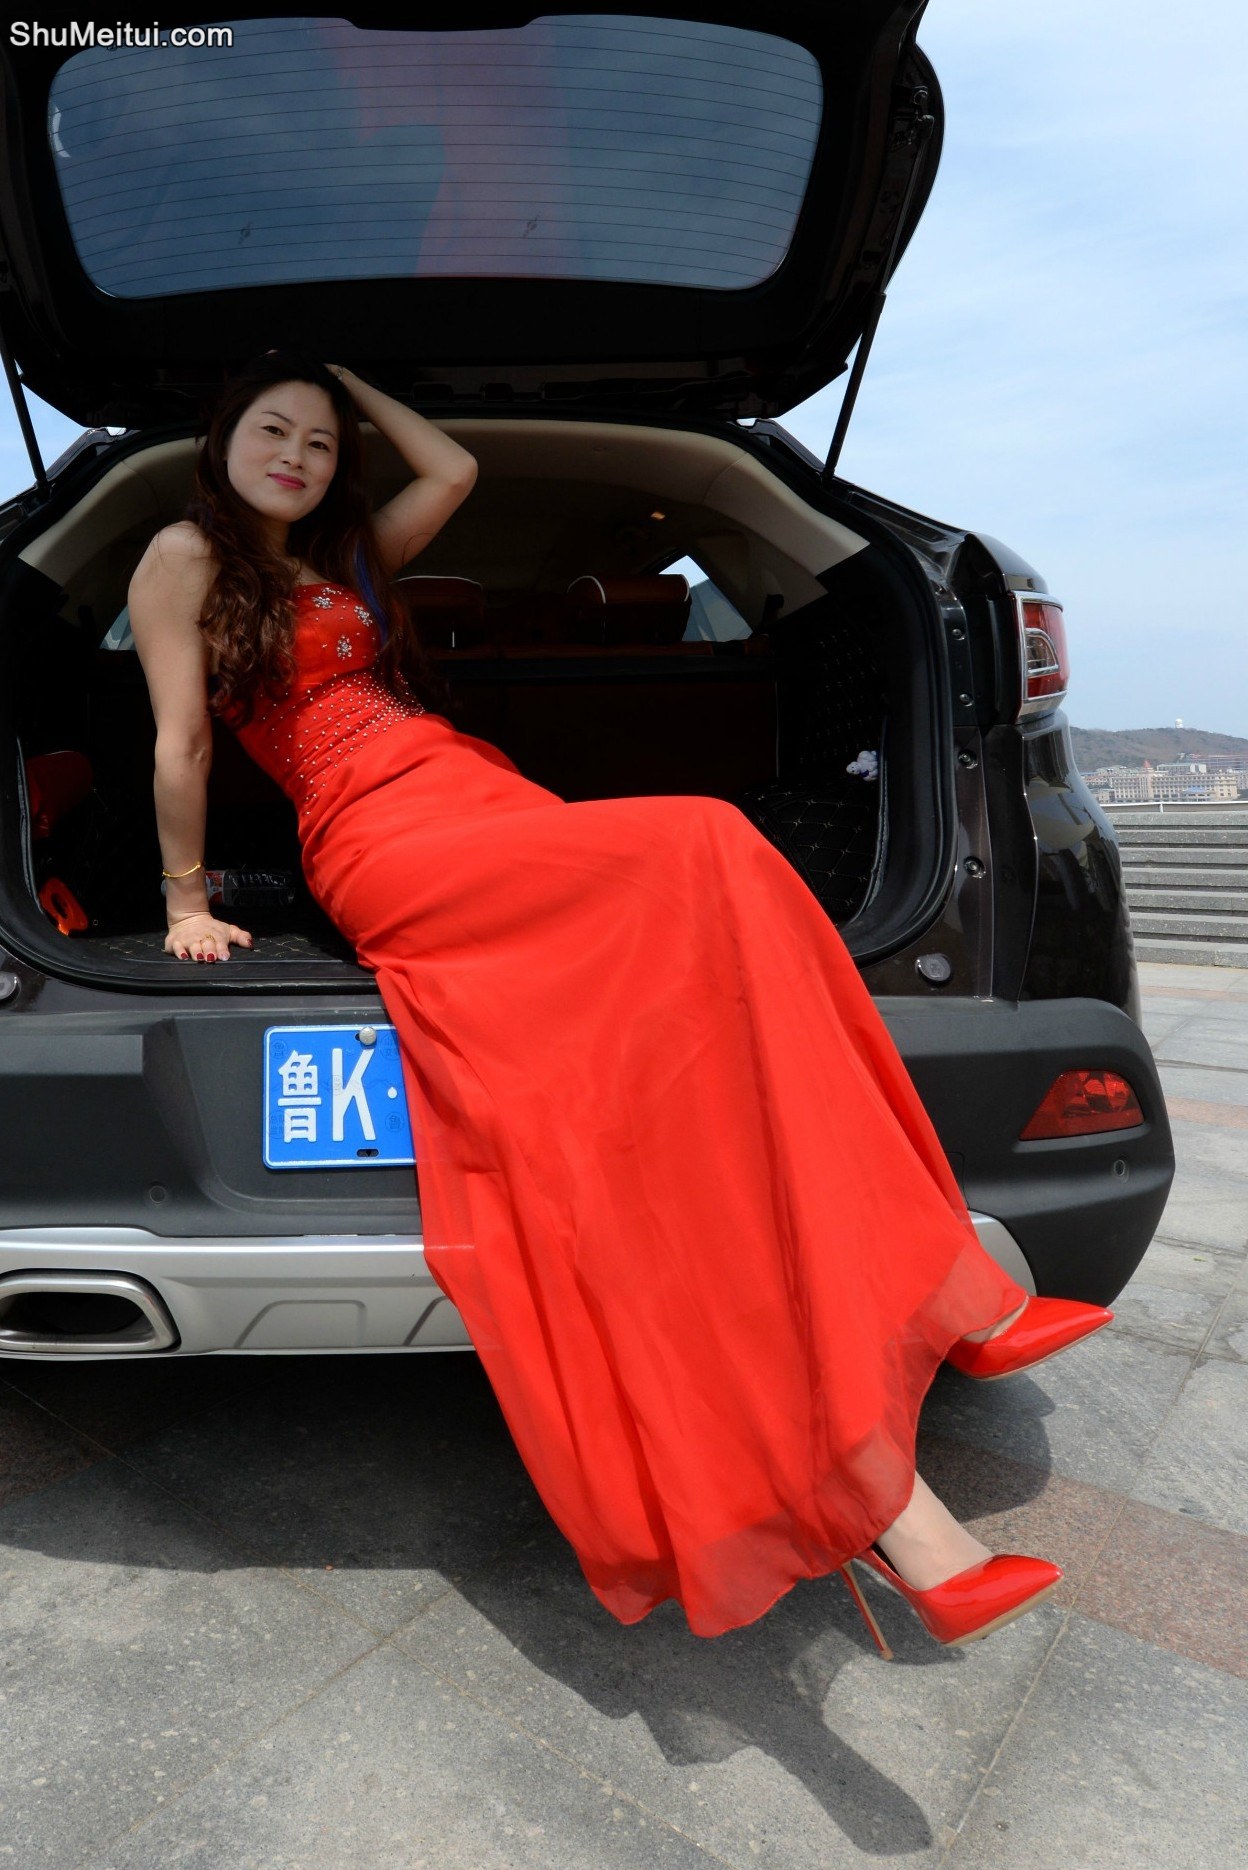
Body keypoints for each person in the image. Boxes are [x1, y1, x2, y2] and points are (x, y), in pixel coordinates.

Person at [128, 351, 1113, 1650]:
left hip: (475, 792)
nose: (297, 458)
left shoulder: (344, 559)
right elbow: (183, 741)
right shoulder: (182, 557)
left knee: (687, 1127)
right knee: (711, 842)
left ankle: (911, 1483)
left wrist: (351, 387)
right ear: (222, 440)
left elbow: (453, 469)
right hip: (376, 838)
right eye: (274, 430)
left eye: (319, 442)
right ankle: (948, 1303)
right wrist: (185, 901)